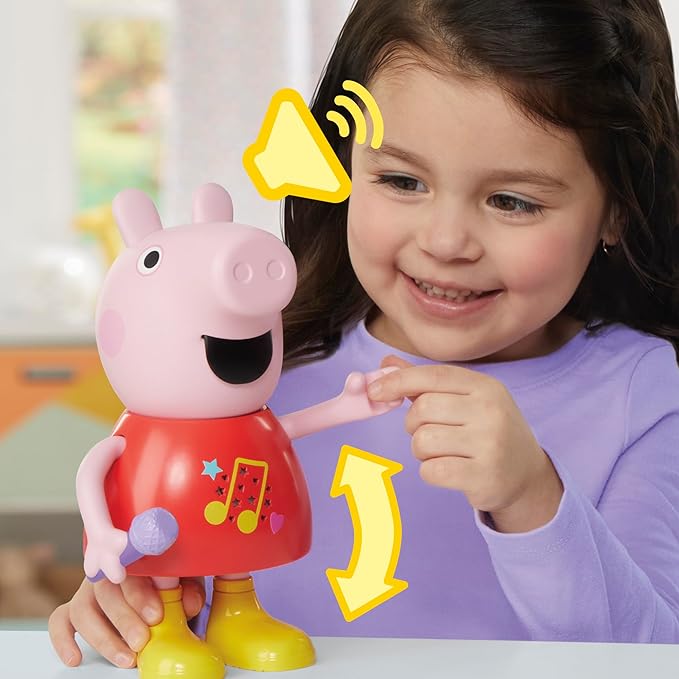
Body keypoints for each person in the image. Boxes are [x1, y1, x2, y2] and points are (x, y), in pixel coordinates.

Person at [49, 0, 679, 669]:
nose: (445, 242)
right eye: (402, 180)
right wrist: (122, 604)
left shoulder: (641, 393)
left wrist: (533, 499)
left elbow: (651, 653)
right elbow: (165, 586)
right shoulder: (254, 373)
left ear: (616, 208)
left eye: (512, 201)